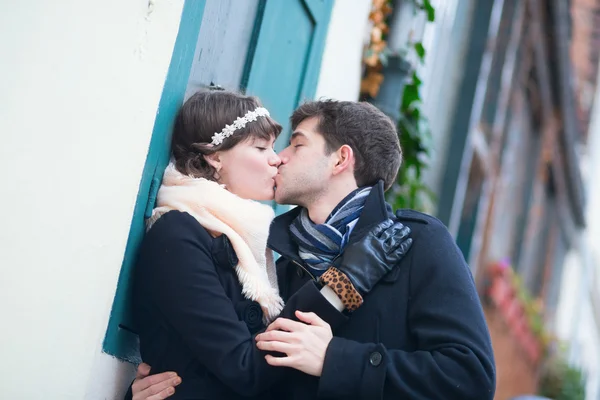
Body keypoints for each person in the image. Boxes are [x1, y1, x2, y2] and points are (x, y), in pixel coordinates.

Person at [132, 98, 497, 399]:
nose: (281, 157)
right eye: (271, 147)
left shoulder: (416, 242)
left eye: (297, 144)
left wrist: (334, 359)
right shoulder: (278, 265)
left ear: (340, 159)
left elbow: (471, 378)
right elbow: (244, 374)